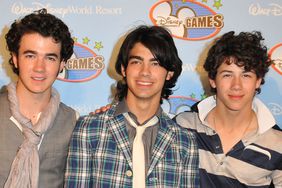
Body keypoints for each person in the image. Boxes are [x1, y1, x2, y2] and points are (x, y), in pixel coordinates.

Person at [64, 25, 199, 187]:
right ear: (124, 68)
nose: (145, 72)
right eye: (136, 62)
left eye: (155, 63)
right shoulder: (89, 130)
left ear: (169, 73)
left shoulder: (185, 143)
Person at [175, 31, 282, 187]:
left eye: (246, 75)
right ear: (213, 80)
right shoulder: (183, 126)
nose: (236, 86)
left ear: (258, 81)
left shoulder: (277, 143)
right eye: (227, 75)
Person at [0, 9, 77, 188]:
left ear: (62, 64)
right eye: (30, 56)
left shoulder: (74, 121)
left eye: (50, 58)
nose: (39, 68)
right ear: (15, 59)